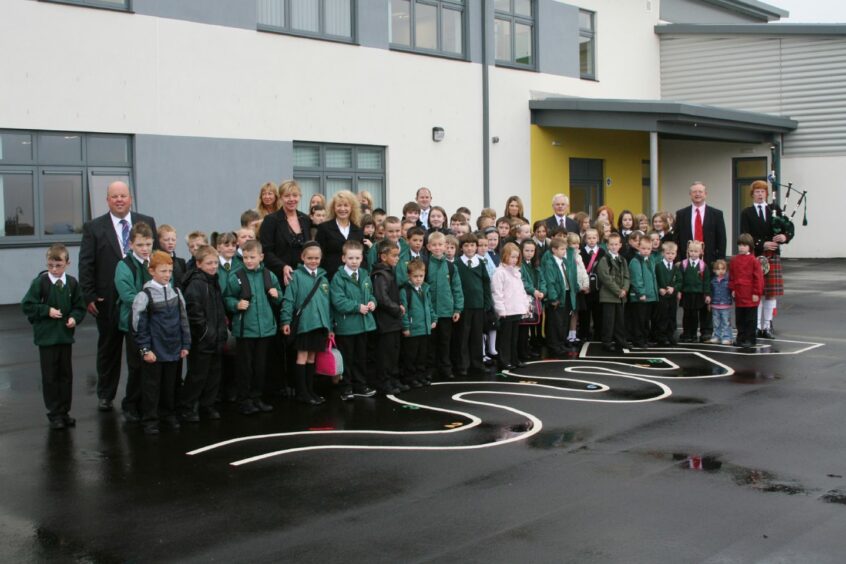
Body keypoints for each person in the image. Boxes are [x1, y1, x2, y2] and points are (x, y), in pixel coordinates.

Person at [78, 181, 157, 413]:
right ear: (107, 200)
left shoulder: (147, 221)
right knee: (109, 348)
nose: (119, 200)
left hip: (144, 298)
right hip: (108, 300)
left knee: (141, 347)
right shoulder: (93, 227)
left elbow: (158, 254)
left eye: (123, 195)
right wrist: (89, 295)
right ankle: (106, 394)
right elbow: (86, 263)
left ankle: (141, 394)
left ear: (130, 198)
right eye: (114, 196)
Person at [22, 244, 86, 430]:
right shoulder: (40, 283)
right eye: (51, 265)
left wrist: (75, 318)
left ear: (67, 263)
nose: (54, 270)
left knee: (65, 375)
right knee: (50, 376)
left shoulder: (72, 283)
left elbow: (79, 306)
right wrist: (46, 310)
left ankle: (65, 411)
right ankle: (54, 413)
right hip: (47, 338)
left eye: (58, 266)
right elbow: (27, 305)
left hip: (65, 337)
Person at [132, 251, 190, 434]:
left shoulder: (176, 292)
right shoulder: (144, 296)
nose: (167, 275)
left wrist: (185, 344)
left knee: (170, 385)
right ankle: (150, 419)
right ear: (152, 271)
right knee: (151, 386)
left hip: (173, 348)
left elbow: (183, 320)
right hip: (154, 351)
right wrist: (144, 349)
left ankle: (168, 414)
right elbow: (138, 326)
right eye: (163, 271)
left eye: (170, 271)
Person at [223, 240, 282, 415]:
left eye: (252, 257)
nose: (249, 260)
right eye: (246, 257)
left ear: (261, 257)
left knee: (260, 366)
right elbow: (227, 298)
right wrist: (236, 304)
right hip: (245, 330)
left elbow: (280, 298)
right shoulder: (236, 276)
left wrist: (276, 295)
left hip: (265, 330)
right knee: (244, 367)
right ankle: (244, 400)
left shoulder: (269, 276)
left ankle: (257, 397)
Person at [179, 245, 227, 422]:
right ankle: (188, 407)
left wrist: (220, 332)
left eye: (215, 262)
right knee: (197, 375)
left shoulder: (213, 281)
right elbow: (195, 314)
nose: (214, 266)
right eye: (209, 263)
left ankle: (208, 405)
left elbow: (219, 310)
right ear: (199, 264)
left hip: (215, 338)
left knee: (214, 375)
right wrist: (207, 333)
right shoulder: (196, 284)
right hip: (203, 340)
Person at [280, 242, 332, 405]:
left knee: (312, 357)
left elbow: (327, 304)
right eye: (309, 258)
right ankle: (302, 393)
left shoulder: (323, 278)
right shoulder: (295, 276)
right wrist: (285, 320)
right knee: (302, 356)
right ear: (302, 257)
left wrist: (329, 326)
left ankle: (310, 391)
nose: (313, 261)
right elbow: (288, 299)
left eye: (316, 258)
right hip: (304, 324)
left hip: (320, 325)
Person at [113, 222, 155, 422]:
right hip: (133, 322)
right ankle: (131, 404)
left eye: (148, 244)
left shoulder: (154, 261)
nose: (145, 249)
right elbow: (128, 294)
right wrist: (152, 302)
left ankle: (148, 404)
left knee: (152, 365)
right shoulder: (124, 265)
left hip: (155, 321)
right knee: (136, 365)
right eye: (140, 245)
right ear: (131, 245)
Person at [739, 179, 790, 339]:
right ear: (752, 194)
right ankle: (756, 326)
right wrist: (762, 244)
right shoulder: (746, 213)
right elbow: (744, 235)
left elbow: (787, 227)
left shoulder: (774, 209)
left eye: (762, 191)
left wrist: (785, 236)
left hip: (773, 256)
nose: (760, 194)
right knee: (757, 292)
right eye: (757, 192)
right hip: (755, 256)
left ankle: (767, 326)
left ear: (767, 194)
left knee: (770, 294)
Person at [330, 240, 378, 400]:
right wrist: (357, 307)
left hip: (363, 325)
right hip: (347, 326)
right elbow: (338, 301)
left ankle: (360, 385)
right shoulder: (338, 278)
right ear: (343, 258)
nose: (354, 261)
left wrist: (373, 302)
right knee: (347, 358)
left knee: (361, 357)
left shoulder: (364, 274)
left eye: (357, 258)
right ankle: (346, 387)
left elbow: (370, 293)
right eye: (351, 258)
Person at [371, 240, 407, 394]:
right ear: (383, 257)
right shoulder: (381, 275)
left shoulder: (389, 272)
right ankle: (384, 382)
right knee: (385, 354)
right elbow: (381, 297)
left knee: (394, 352)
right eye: (394, 256)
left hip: (393, 322)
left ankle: (393, 379)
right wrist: (396, 309)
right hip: (385, 322)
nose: (397, 258)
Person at [426, 232, 463, 380]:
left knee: (445, 341)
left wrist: (458, 308)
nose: (437, 248)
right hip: (430, 312)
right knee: (430, 343)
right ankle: (430, 369)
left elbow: (457, 288)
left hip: (447, 311)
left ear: (445, 246)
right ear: (428, 247)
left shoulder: (451, 267)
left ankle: (446, 368)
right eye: (434, 245)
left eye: (440, 245)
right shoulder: (426, 265)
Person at [259, 180, 311, 286]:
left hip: (303, 278)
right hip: (279, 278)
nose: (291, 199)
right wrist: (283, 267)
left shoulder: (305, 219)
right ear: (281, 198)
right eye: (287, 196)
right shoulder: (271, 220)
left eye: (295, 195)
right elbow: (266, 251)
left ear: (300, 196)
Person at [455, 233, 492, 376]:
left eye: (472, 245)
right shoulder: (457, 264)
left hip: (478, 305)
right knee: (463, 336)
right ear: (461, 248)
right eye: (466, 246)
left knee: (477, 336)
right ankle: (463, 364)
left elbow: (486, 283)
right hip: (464, 306)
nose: (469, 248)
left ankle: (477, 363)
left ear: (476, 247)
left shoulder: (481, 263)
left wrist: (487, 303)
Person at [491, 242, 530, 370]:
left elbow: (521, 291)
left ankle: (514, 359)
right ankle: (504, 360)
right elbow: (497, 293)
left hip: (516, 309)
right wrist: (501, 310)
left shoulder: (516, 272)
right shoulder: (499, 273)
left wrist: (525, 305)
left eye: (516, 257)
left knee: (514, 338)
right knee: (505, 338)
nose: (514, 260)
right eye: (512, 257)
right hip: (506, 311)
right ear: (504, 256)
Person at [400, 260, 437, 388]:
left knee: (422, 355)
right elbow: (403, 311)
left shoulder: (425, 289)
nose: (418, 279)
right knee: (411, 356)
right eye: (415, 276)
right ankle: (410, 377)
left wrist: (433, 319)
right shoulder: (405, 291)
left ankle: (420, 376)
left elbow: (430, 306)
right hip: (413, 329)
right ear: (409, 276)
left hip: (425, 328)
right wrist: (405, 327)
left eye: (421, 276)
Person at [675, 181, 726, 266]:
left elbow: (722, 239)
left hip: (710, 261)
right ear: (690, 194)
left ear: (705, 194)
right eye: (694, 192)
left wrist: (720, 260)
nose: (697, 194)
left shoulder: (716, 214)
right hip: (686, 261)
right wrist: (678, 259)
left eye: (700, 192)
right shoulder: (681, 214)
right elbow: (676, 238)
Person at [317, 190, 365, 279]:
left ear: (352, 208)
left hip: (353, 279)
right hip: (330, 277)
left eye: (346, 205)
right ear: (334, 208)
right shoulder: (324, 228)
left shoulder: (358, 230)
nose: (342, 209)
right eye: (339, 205)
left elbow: (362, 256)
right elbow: (319, 255)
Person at [729, 233, 764, 349]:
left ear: (750, 246)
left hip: (750, 295)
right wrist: (733, 288)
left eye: (744, 245)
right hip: (739, 294)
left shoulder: (754, 261)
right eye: (740, 245)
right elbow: (732, 276)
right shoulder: (734, 260)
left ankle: (750, 339)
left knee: (750, 319)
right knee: (740, 319)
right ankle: (741, 338)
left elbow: (758, 278)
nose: (741, 247)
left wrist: (756, 293)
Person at [596, 233, 630, 352]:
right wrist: (618, 291)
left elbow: (627, 276)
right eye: (611, 244)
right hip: (609, 296)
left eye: (616, 244)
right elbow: (606, 278)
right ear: (607, 246)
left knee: (620, 320)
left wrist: (625, 289)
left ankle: (620, 341)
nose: (614, 247)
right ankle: (607, 341)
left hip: (621, 296)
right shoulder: (604, 260)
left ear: (620, 245)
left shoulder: (622, 260)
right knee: (608, 321)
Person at [540, 238, 573, 357]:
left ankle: (561, 343)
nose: (564, 251)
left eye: (565, 249)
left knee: (563, 321)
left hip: (566, 294)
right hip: (557, 297)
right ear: (554, 250)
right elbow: (550, 282)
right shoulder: (550, 263)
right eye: (562, 249)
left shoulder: (564, 261)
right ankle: (554, 345)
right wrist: (553, 298)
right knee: (555, 323)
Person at [678, 240, 711, 343]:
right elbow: (680, 279)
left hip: (698, 294)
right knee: (687, 314)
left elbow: (706, 281)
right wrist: (679, 291)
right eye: (691, 251)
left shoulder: (703, 266)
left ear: (700, 252)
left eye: (696, 251)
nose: (693, 253)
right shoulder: (683, 264)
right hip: (687, 293)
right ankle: (686, 333)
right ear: (688, 251)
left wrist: (707, 294)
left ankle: (693, 334)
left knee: (695, 315)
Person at [628, 236, 658, 348]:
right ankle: (638, 339)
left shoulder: (651, 260)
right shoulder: (636, 261)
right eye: (643, 248)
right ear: (638, 248)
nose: (646, 251)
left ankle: (645, 338)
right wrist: (641, 293)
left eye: (648, 249)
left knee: (646, 319)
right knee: (639, 319)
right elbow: (636, 279)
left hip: (650, 296)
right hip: (640, 297)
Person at [518, 239, 545, 361]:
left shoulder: (536, 264)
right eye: (526, 250)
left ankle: (528, 348)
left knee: (533, 324)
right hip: (525, 299)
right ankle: (522, 350)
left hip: (536, 298)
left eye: (532, 251)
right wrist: (534, 291)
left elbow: (542, 279)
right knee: (524, 327)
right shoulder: (521, 265)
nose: (529, 253)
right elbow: (523, 281)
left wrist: (543, 291)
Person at [579, 228, 605, 342]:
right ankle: (584, 333)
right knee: (584, 312)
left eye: (594, 237)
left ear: (598, 239)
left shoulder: (602, 252)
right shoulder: (581, 252)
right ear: (585, 239)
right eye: (589, 238)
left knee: (598, 312)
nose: (591, 240)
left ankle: (598, 333)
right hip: (585, 287)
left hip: (598, 288)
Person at [654, 241, 681, 346]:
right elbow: (654, 279)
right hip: (662, 297)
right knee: (662, 317)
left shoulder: (675, 268)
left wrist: (674, 289)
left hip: (672, 297)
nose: (670, 256)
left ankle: (670, 336)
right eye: (668, 253)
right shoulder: (658, 266)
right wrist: (659, 289)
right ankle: (661, 336)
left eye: (673, 253)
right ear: (663, 253)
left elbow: (679, 281)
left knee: (672, 316)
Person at [566, 232, 590, 347]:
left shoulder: (579, 256)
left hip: (580, 289)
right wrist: (576, 286)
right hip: (572, 290)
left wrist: (586, 284)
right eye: (573, 243)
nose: (576, 246)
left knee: (576, 313)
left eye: (577, 243)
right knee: (570, 312)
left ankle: (573, 334)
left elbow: (583, 271)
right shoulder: (567, 256)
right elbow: (570, 274)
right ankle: (567, 335)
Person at [709, 259, 733, 345]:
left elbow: (731, 291)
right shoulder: (713, 281)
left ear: (726, 270)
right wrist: (710, 302)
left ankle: (727, 337)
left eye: (723, 269)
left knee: (726, 322)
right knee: (716, 323)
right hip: (715, 305)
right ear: (714, 270)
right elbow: (711, 292)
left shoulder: (728, 281)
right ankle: (716, 336)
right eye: (718, 269)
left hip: (725, 305)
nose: (721, 271)